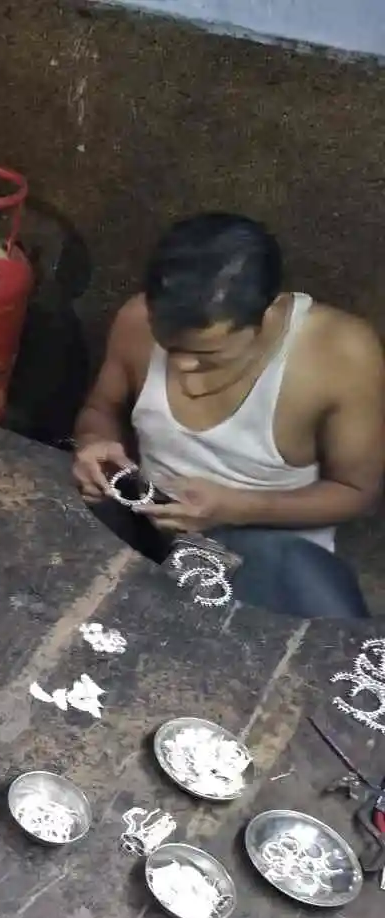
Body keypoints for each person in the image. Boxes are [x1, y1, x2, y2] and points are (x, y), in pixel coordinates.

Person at [71, 212, 384, 618]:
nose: (182, 366)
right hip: (152, 530)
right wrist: (94, 442)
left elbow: (355, 491)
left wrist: (239, 508)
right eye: (170, 347)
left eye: (207, 354)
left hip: (275, 560)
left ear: (266, 315)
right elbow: (100, 410)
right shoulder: (136, 321)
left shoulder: (340, 355)